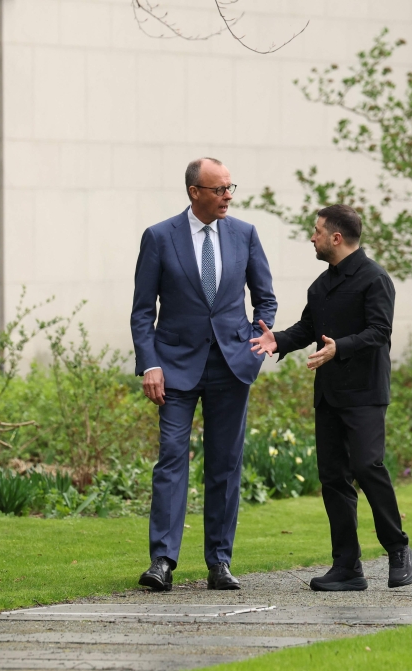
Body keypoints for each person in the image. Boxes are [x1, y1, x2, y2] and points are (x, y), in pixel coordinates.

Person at [249, 204, 412, 591]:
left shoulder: (375, 279)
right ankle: (347, 567)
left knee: (367, 465)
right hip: (329, 395)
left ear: (336, 238)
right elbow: (308, 327)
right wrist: (279, 341)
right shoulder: (321, 286)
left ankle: (397, 548)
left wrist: (338, 347)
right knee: (333, 478)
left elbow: (379, 332)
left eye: (317, 231)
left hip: (365, 394)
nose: (312, 236)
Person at [131, 157, 277, 592]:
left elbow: (265, 298)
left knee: (225, 466)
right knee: (172, 460)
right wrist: (150, 363)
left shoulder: (245, 234)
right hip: (174, 367)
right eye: (219, 190)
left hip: (232, 366)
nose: (228, 196)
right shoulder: (159, 237)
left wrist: (255, 341)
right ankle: (162, 561)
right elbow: (142, 311)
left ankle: (220, 562)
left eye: (231, 188)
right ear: (195, 192)